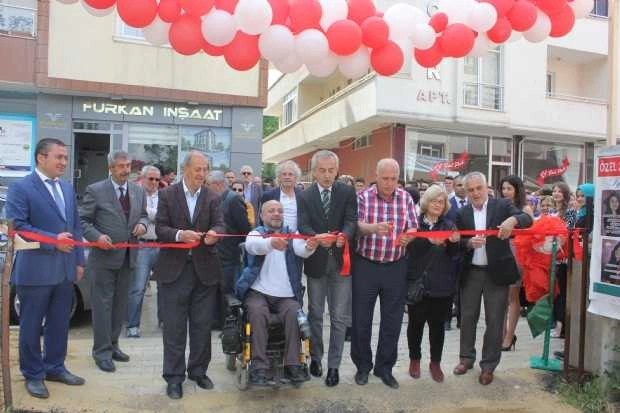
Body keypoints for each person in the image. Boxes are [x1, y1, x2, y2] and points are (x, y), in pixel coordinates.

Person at [7, 138, 86, 399]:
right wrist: (54, 243)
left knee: (59, 323)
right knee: (31, 325)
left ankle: (55, 367)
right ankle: (33, 374)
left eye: (65, 157)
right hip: (35, 271)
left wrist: (78, 260)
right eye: (59, 157)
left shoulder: (66, 188)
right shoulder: (22, 188)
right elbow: (18, 227)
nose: (64, 162)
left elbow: (75, 227)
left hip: (64, 270)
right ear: (41, 158)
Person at [153, 151, 224, 399]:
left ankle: (198, 371)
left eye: (205, 169)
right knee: (174, 328)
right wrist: (179, 235)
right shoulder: (167, 194)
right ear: (185, 169)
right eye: (197, 169)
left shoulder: (213, 197)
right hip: (174, 271)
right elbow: (160, 228)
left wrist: (215, 232)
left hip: (205, 271)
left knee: (202, 326)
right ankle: (174, 377)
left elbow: (220, 224)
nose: (202, 174)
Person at [453, 172, 532, 386]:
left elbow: (527, 219)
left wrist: (512, 219)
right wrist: (468, 244)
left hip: (496, 273)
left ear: (486, 187)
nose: (475, 193)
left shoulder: (502, 206)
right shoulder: (461, 213)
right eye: (470, 190)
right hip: (471, 273)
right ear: (466, 192)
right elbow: (455, 242)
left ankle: (488, 365)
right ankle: (466, 359)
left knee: (495, 320)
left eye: (479, 188)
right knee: (467, 317)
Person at [235, 200, 318, 385]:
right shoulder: (256, 233)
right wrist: (271, 242)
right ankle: (259, 367)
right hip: (258, 292)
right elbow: (253, 246)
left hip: (286, 295)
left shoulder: (292, 234)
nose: (276, 214)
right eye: (271, 211)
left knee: (294, 314)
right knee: (257, 313)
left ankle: (293, 365)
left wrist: (310, 246)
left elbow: (302, 250)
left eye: (280, 211)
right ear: (262, 216)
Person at [80, 150, 148, 373]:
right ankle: (101, 352)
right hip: (103, 260)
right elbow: (82, 221)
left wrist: (143, 226)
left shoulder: (138, 191)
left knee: (120, 307)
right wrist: (97, 237)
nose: (125, 170)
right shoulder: (96, 190)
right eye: (121, 166)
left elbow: (144, 216)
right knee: (102, 306)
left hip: (128, 258)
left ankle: (113, 345)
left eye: (128, 165)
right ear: (110, 168)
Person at [352, 158, 417, 389]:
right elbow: (355, 226)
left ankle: (385, 368)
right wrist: (372, 228)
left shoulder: (406, 197)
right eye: (385, 178)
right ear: (376, 176)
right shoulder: (363, 197)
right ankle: (362, 366)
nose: (389, 183)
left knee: (392, 320)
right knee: (361, 319)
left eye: (393, 179)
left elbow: (413, 224)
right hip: (366, 265)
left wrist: (409, 234)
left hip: (395, 266)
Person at [298, 150, 358, 387]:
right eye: (321, 170)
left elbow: (351, 219)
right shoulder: (305, 195)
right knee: (315, 313)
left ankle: (334, 365)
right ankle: (316, 357)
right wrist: (315, 236)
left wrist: (345, 234)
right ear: (314, 171)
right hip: (316, 264)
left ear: (337, 170)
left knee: (339, 317)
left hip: (341, 263)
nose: (326, 175)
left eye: (331, 170)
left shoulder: (346, 191)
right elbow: (302, 223)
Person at [406, 185, 460, 383]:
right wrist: (428, 240)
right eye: (435, 201)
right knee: (415, 325)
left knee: (437, 328)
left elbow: (455, 255)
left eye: (442, 201)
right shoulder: (415, 224)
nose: (438, 204)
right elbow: (410, 251)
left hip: (442, 285)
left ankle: (435, 363)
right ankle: (414, 360)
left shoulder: (449, 225)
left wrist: (454, 242)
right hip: (418, 284)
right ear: (426, 202)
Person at [208, 171, 251, 329]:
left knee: (228, 290)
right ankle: (217, 321)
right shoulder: (215, 199)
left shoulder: (234, 200)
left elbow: (244, 228)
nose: (206, 188)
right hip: (216, 254)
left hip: (230, 254)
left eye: (208, 185)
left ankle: (229, 324)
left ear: (218, 184)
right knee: (217, 289)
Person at [499, 175, 533, 352]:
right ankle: (502, 333)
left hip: (516, 253)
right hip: (500, 253)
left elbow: (531, 231)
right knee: (500, 297)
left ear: (517, 190)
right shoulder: (499, 207)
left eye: (509, 189)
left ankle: (509, 336)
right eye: (503, 188)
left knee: (512, 296)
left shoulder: (524, 209)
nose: (505, 192)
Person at [127, 165, 161, 338]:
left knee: (164, 286)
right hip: (141, 246)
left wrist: (148, 213)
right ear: (142, 177)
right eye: (151, 178)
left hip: (162, 246)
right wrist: (150, 215)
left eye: (157, 179)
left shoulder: (164, 196)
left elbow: (163, 217)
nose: (154, 182)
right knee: (138, 288)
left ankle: (163, 321)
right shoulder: (134, 195)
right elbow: (135, 217)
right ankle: (132, 326)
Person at [551, 182, 577, 339]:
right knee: (557, 293)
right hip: (555, 256)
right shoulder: (555, 211)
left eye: (559, 191)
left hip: (565, 259)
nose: (556, 193)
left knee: (562, 294)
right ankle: (559, 326)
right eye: (554, 191)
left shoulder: (570, 212)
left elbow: (567, 234)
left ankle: (561, 327)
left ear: (565, 194)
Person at [260, 160, 303, 231]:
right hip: (275, 236)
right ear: (279, 178)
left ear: (296, 178)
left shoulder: (303, 195)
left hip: (298, 237)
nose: (287, 177)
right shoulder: (269, 195)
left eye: (290, 174)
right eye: (284, 174)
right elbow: (262, 218)